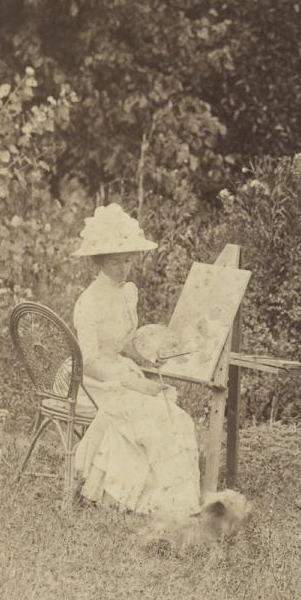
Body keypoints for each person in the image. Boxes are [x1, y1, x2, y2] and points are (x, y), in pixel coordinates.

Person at [68, 204, 202, 520]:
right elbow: (89, 361)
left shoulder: (129, 293)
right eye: (115, 261)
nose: (124, 268)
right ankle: (139, 500)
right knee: (149, 415)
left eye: (128, 260)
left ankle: (174, 503)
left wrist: (153, 348)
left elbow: (124, 343)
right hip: (92, 380)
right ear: (98, 262)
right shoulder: (88, 303)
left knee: (175, 415)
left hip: (119, 369)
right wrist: (133, 383)